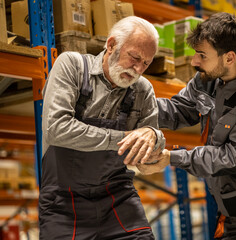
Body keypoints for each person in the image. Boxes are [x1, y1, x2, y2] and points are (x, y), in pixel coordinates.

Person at [138, 12, 236, 239]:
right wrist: (133, 108)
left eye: (202, 55)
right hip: (230, 208)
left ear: (229, 58)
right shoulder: (208, 79)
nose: (194, 61)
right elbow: (179, 109)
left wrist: (171, 157)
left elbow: (232, 157)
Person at [39, 16, 165, 240]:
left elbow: (148, 148)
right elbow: (57, 128)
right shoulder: (72, 67)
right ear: (111, 44)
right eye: (134, 57)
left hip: (118, 198)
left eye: (146, 63)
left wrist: (153, 136)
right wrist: (125, 137)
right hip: (63, 202)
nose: (138, 69)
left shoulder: (143, 89)